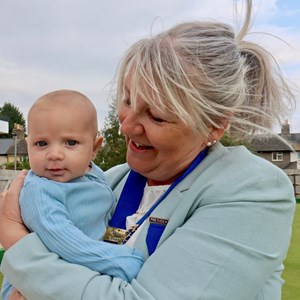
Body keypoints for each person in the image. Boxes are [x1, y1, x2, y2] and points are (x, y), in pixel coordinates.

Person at [0, 0, 296, 299]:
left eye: (156, 115)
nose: (127, 126)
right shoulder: (107, 181)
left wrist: (15, 239)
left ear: (214, 126)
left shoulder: (253, 189)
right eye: (127, 101)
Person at [1, 90, 144, 300]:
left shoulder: (93, 176)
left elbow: (106, 218)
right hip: (31, 288)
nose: (54, 154)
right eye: (41, 143)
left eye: (70, 143)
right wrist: (122, 260)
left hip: (75, 276)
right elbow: (64, 240)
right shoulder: (39, 190)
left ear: (94, 148)